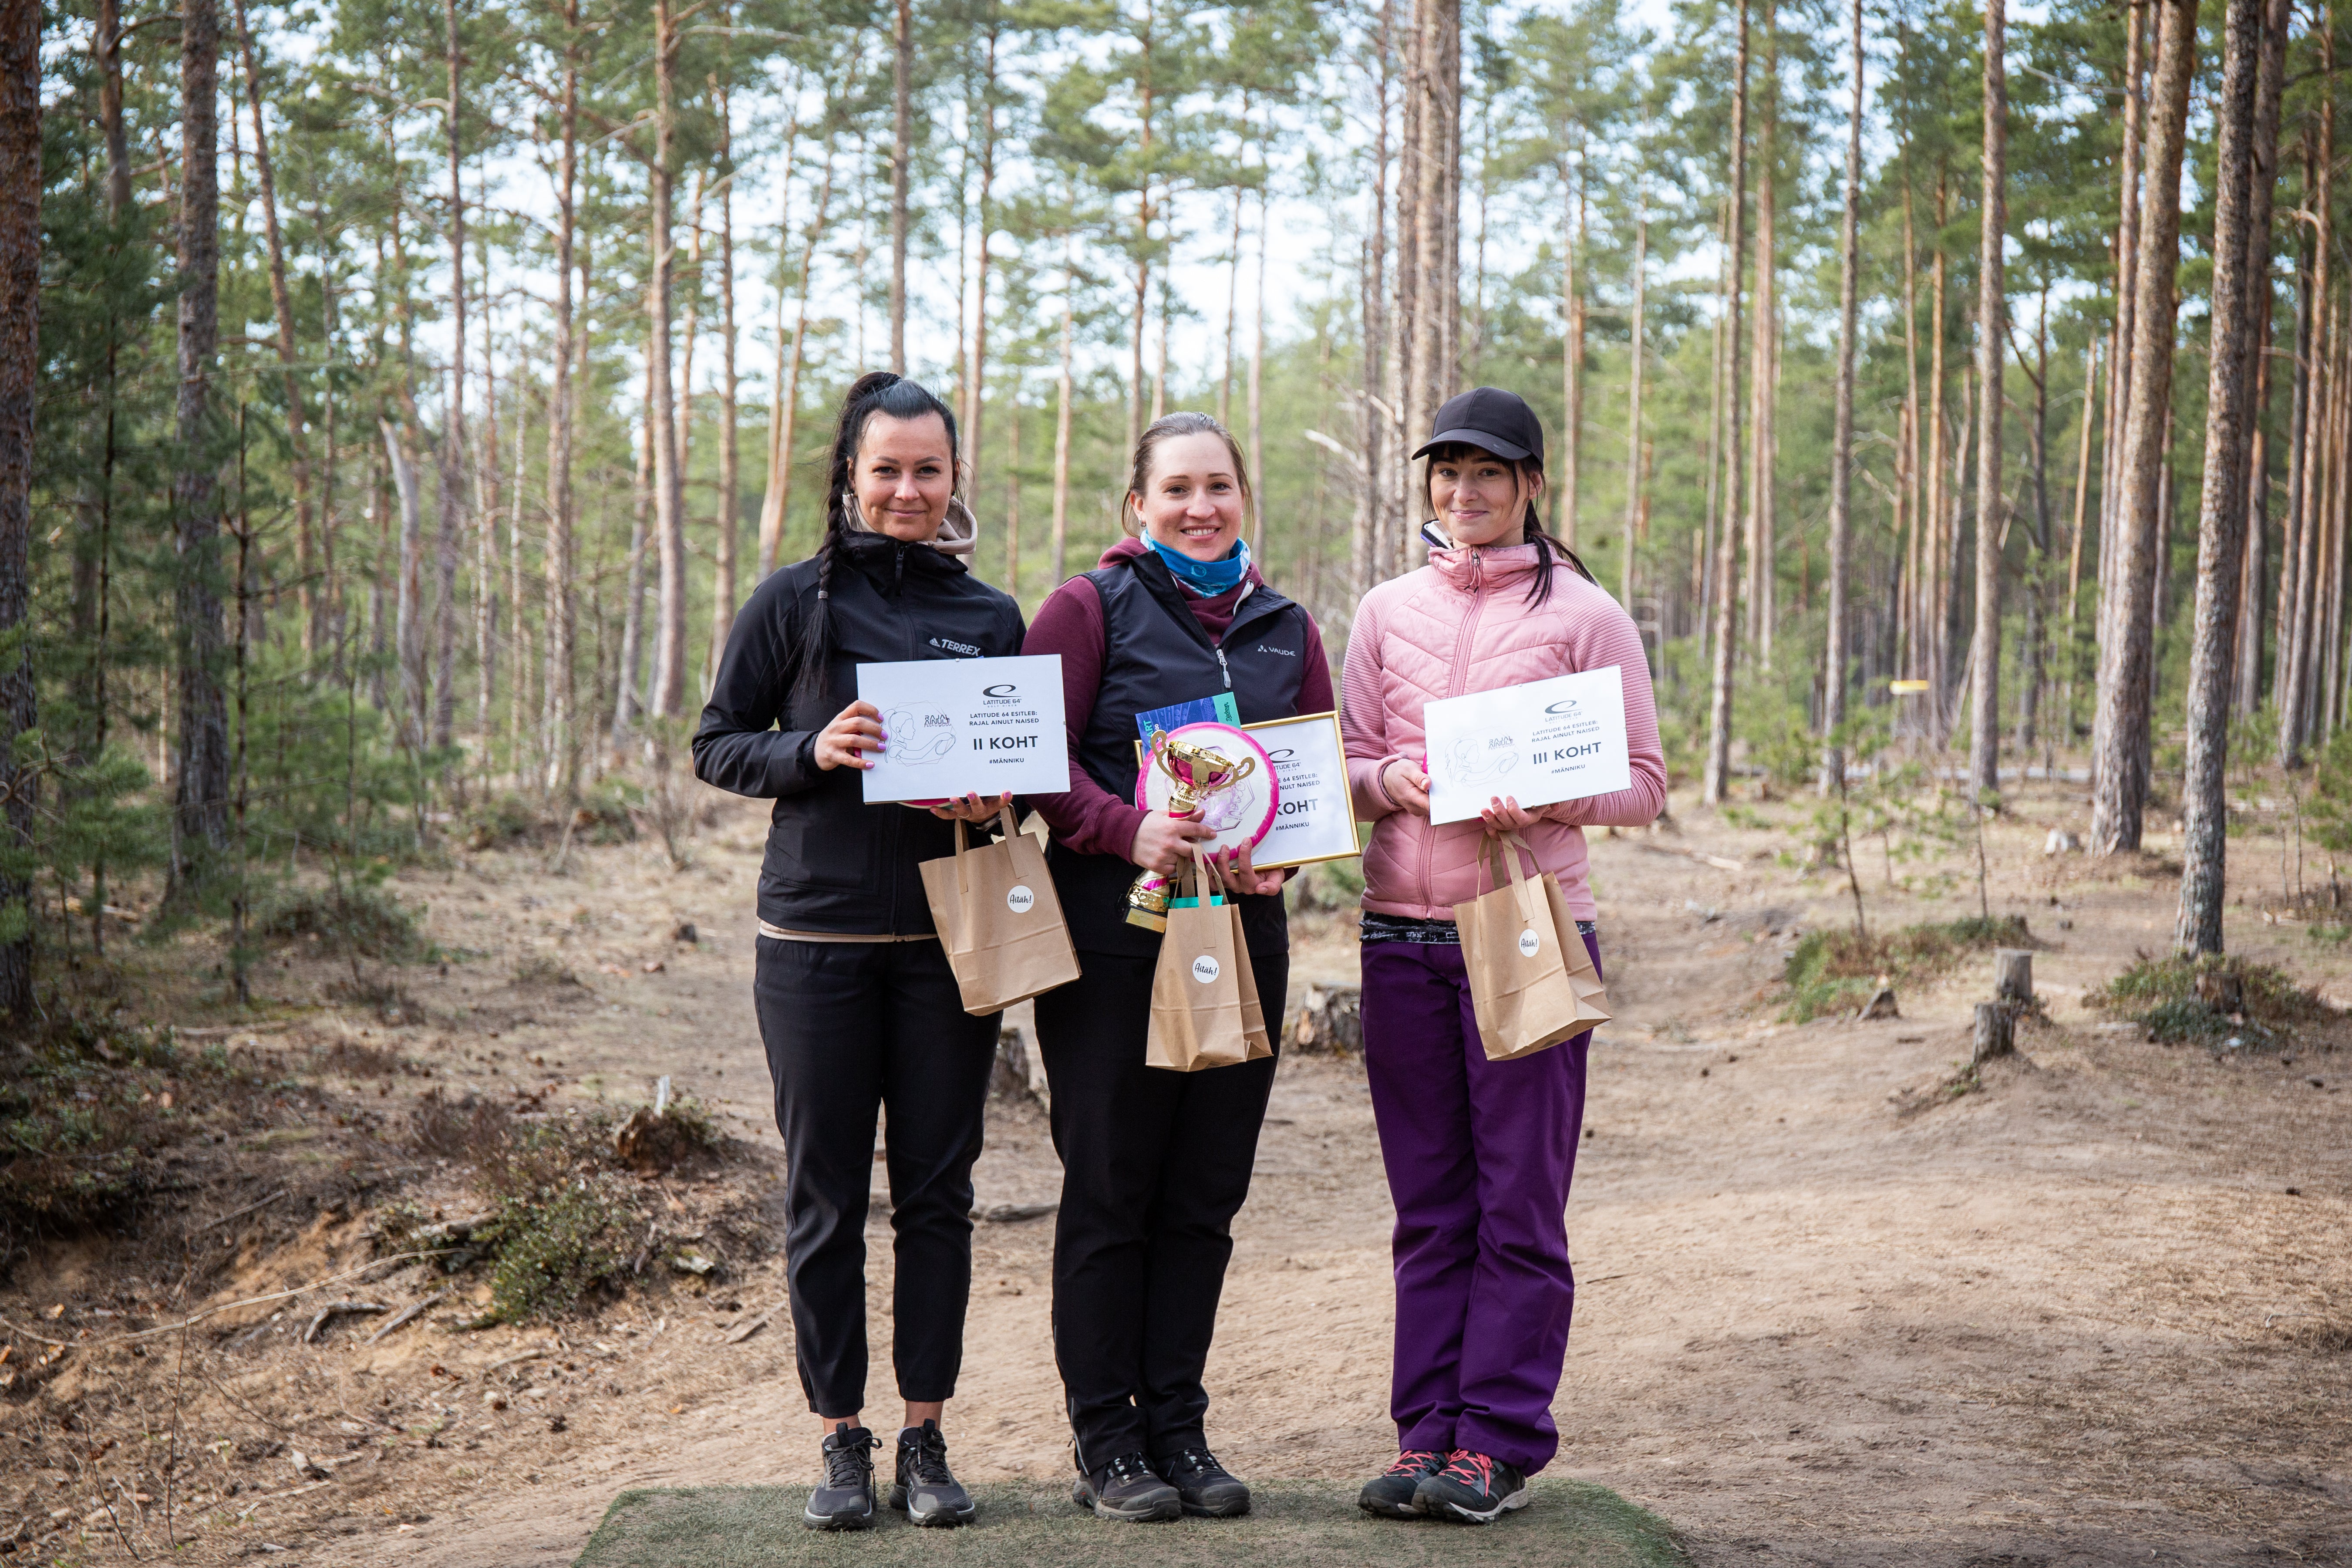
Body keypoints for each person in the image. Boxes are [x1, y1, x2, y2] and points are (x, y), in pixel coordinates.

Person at [693, 372, 1024, 1532]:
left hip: (949, 946)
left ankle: (926, 1438)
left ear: (952, 480)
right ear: (848, 475)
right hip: (813, 946)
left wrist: (1002, 797)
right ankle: (841, 1439)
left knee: (938, 1196)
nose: (907, 488)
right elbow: (718, 745)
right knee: (824, 1197)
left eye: (928, 470)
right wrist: (811, 751)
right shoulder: (790, 603)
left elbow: (1024, 784)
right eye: (885, 468)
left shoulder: (991, 616)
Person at [1341, 387, 1666, 1525]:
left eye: (1488, 473)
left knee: (1518, 1204)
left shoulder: (1586, 615)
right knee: (1429, 1207)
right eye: (1446, 472)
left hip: (1528, 932)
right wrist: (1391, 783)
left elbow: (1645, 785)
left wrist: (1547, 796)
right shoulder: (1384, 611)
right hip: (1400, 938)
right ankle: (1425, 1433)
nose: (1463, 492)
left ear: (1530, 483)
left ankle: (1498, 1442)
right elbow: (1346, 763)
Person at [1022, 412, 1333, 1522]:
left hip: (1241, 938)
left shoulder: (1284, 627)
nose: (1200, 508)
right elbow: (1031, 760)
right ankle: (1107, 1441)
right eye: (1177, 490)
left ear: (1243, 496)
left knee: (1205, 1195)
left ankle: (1181, 1430)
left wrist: (1276, 867)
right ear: (1137, 508)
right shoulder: (1086, 608)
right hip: (1117, 942)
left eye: (1219, 487)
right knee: (1113, 1187)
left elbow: (1302, 785)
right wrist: (1123, 827)